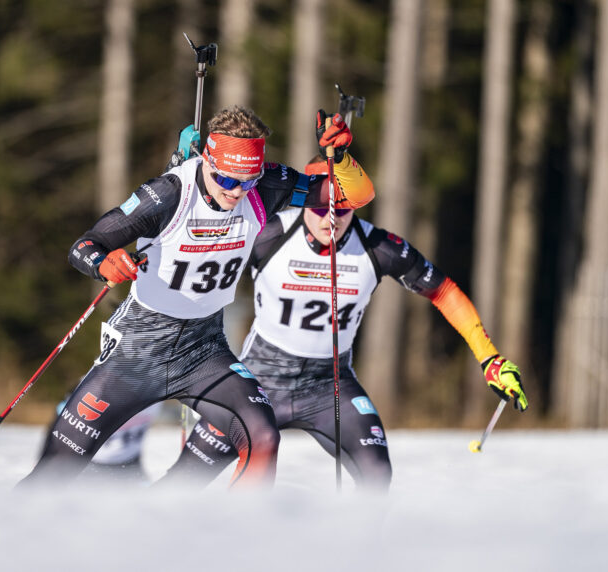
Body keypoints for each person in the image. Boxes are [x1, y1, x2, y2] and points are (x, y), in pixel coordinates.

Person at [20, 106, 375, 487]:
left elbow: (351, 195)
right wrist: (106, 264)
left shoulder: (269, 185)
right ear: (207, 158)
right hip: (138, 352)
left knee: (263, 437)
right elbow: (84, 245)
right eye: (225, 177)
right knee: (54, 472)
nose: (235, 191)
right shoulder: (168, 194)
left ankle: (232, 537)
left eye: (247, 181)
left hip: (204, 350)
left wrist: (341, 157)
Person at [162, 157, 528, 489]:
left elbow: (444, 292)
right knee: (185, 479)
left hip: (329, 387)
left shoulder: (377, 247)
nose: (330, 218)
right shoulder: (269, 231)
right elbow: (201, 240)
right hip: (258, 382)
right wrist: (186, 176)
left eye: (342, 209)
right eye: (320, 207)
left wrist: (489, 358)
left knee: (377, 477)